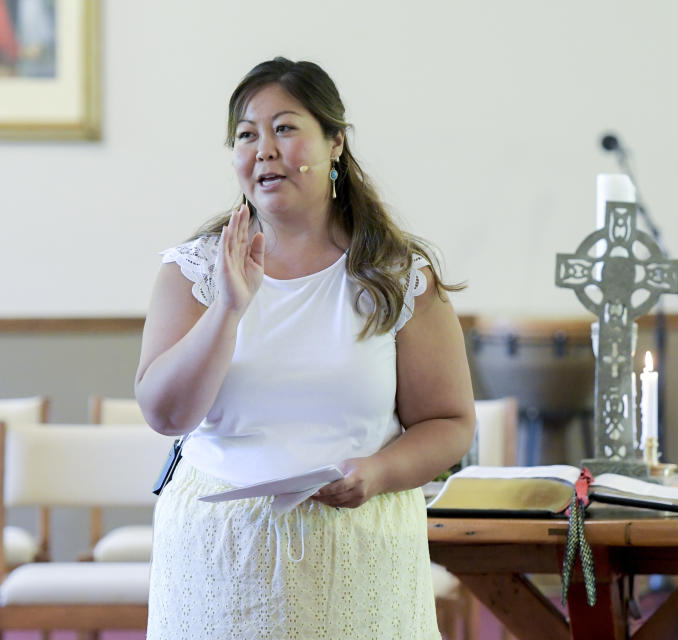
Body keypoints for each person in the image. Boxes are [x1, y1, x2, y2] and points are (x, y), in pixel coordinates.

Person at [135, 57, 475, 639]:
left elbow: (448, 421)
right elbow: (166, 415)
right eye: (246, 135)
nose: (264, 149)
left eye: (285, 128)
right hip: (221, 553)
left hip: (359, 553)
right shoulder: (195, 269)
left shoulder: (396, 274)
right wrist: (228, 310)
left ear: (335, 142)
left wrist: (379, 471)